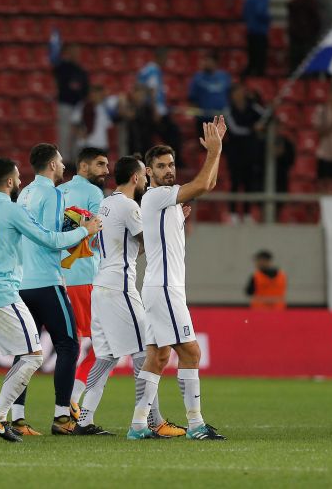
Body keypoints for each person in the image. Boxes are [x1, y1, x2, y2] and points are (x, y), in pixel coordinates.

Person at [0, 157, 100, 443]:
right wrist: (83, 231)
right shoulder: (11, 212)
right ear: (10, 181)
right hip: (4, 294)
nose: (21, 182)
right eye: (18, 178)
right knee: (33, 355)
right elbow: (48, 239)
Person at [129, 117, 227, 441]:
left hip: (161, 288)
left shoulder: (167, 200)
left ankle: (139, 424)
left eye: (171, 164)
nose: (169, 169)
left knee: (158, 357)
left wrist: (218, 150)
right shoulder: (156, 196)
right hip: (165, 289)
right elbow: (201, 185)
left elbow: (207, 185)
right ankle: (196, 424)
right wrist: (214, 151)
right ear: (148, 172)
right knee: (192, 353)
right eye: (161, 166)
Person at [75, 155, 186, 437]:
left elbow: (130, 247)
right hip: (120, 288)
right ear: (136, 177)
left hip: (99, 286)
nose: (148, 182)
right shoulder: (129, 207)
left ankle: (83, 419)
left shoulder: (105, 204)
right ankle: (153, 421)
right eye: (145, 177)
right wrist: (176, 220)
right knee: (144, 354)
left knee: (105, 358)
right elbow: (152, 241)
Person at [11, 143, 84, 435]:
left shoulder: (23, 194)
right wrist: (83, 229)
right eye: (61, 162)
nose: (65, 166)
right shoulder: (52, 193)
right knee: (68, 345)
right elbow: (55, 239)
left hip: (21, 282)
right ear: (52, 165)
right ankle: (63, 417)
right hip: (46, 280)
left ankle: (16, 417)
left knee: (25, 350)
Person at [57, 148, 109, 412]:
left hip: (57, 277)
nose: (106, 170)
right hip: (85, 275)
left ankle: (15, 413)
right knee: (105, 347)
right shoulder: (93, 194)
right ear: (84, 167)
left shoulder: (58, 192)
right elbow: (97, 235)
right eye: (100, 165)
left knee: (63, 347)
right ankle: (73, 400)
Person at [225, 83, 265, 222]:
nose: (239, 95)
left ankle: (247, 214)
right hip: (235, 154)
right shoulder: (229, 111)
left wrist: (260, 125)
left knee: (249, 183)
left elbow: (266, 115)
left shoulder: (252, 107)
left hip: (250, 152)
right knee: (235, 183)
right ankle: (233, 213)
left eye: (241, 92)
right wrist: (253, 129)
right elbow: (235, 130)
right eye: (236, 93)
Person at [137, 48, 183, 164]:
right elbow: (152, 90)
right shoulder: (153, 70)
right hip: (153, 110)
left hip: (146, 110)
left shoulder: (146, 70)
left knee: (148, 139)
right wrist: (155, 110)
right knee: (173, 134)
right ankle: (175, 162)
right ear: (161, 57)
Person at [51, 40, 89, 165]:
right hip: (65, 104)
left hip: (78, 106)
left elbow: (85, 90)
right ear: (67, 52)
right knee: (65, 132)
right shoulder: (63, 67)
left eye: (77, 51)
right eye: (72, 51)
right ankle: (63, 159)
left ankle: (74, 159)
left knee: (77, 133)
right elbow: (54, 68)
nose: (75, 53)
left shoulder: (81, 71)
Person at [188, 52, 231, 139]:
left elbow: (230, 94)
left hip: (221, 118)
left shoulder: (224, 77)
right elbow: (192, 98)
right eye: (206, 61)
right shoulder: (198, 78)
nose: (207, 63)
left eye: (209, 61)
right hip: (204, 119)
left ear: (216, 63)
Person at [73, 85, 119, 152]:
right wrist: (79, 132)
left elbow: (122, 98)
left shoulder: (107, 105)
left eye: (98, 94)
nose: (95, 96)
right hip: (85, 144)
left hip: (101, 144)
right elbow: (74, 122)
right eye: (93, 93)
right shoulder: (83, 105)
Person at [287, 0, 320, 72]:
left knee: (295, 63)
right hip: (307, 36)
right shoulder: (310, 0)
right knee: (306, 62)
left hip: (295, 35)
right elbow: (315, 18)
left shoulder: (294, 0)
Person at [242, 0, 270, 77]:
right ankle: (259, 81)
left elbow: (245, 12)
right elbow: (260, 12)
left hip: (251, 30)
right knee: (259, 61)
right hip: (260, 31)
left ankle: (247, 77)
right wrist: (268, 19)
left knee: (252, 58)